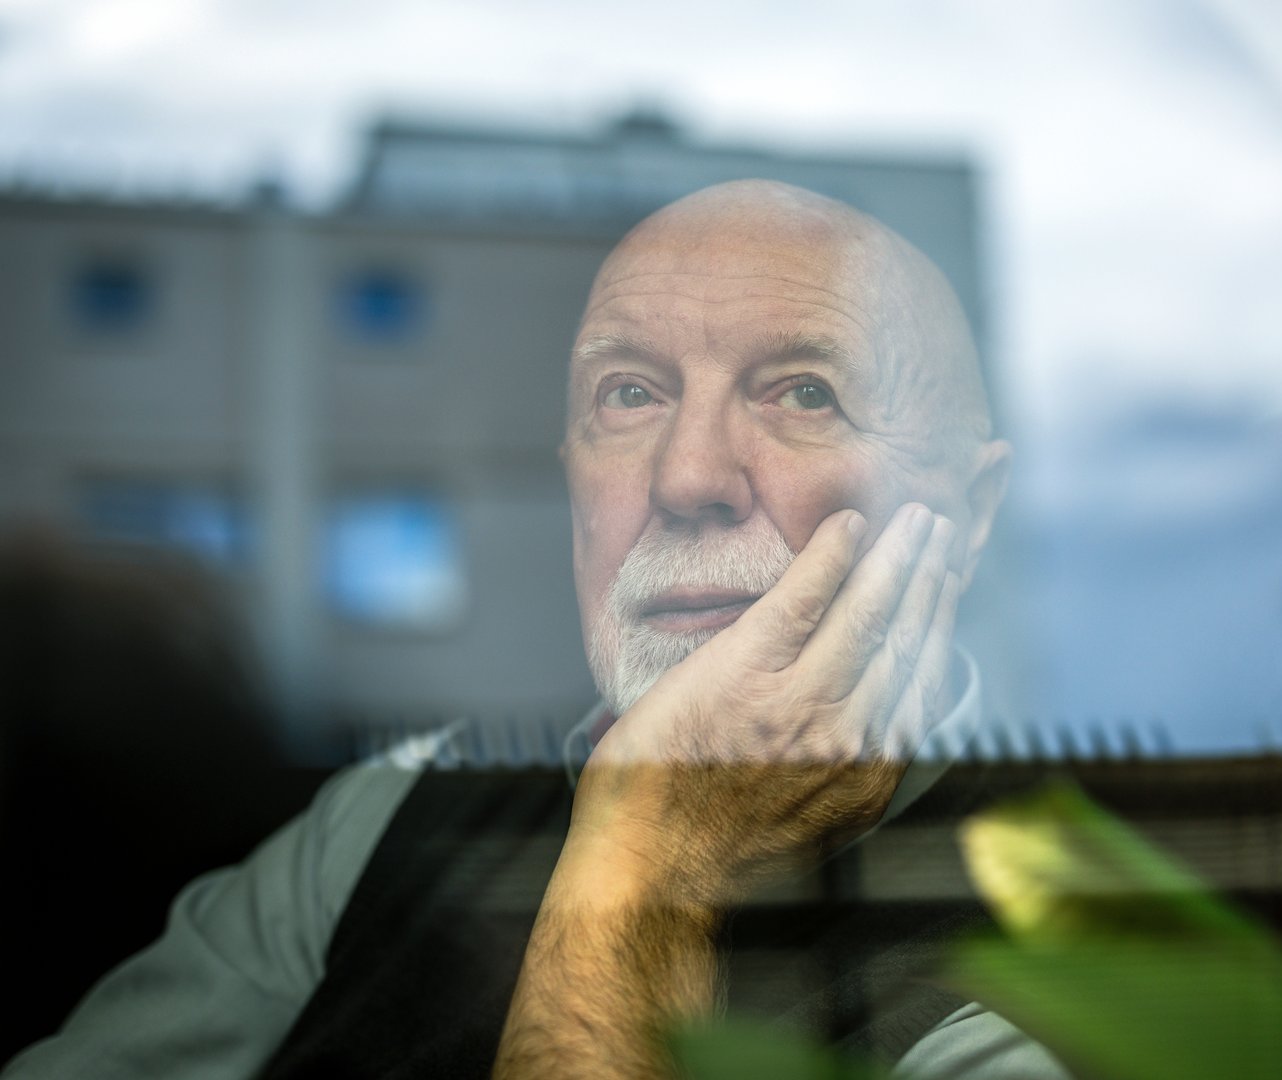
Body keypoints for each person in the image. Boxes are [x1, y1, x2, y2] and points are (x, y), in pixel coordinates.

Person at [4, 180, 1064, 1079]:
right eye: (630, 393)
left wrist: (655, 861)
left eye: (803, 394)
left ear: (968, 516)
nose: (687, 477)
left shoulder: (1070, 967)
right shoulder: (389, 819)